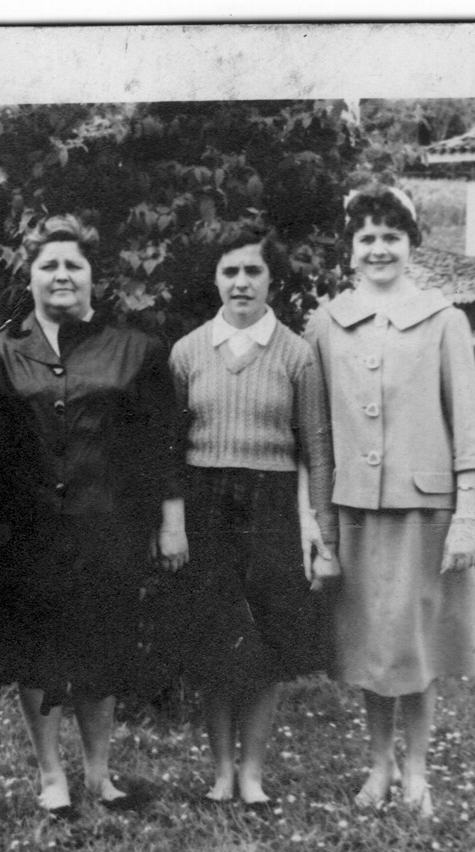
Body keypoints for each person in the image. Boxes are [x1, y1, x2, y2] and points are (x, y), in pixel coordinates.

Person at [0, 214, 187, 819]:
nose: (62, 274)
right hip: (28, 529)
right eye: (49, 264)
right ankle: (51, 774)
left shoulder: (137, 350)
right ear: (30, 275)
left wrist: (170, 521)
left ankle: (99, 772)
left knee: (103, 641)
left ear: (94, 275)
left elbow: (162, 444)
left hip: (109, 525)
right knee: (36, 648)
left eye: (73, 264)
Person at [306, 183, 475, 819]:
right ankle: (379, 764)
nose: (379, 249)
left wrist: (466, 516)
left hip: (424, 511)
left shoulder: (444, 320)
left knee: (415, 643)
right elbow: (317, 434)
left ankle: (416, 771)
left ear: (412, 245)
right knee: (371, 644)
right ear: (350, 249)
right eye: (367, 238)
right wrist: (318, 523)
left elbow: (467, 427)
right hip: (355, 511)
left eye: (392, 237)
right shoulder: (326, 323)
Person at [169, 224, 337, 812]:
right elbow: (170, 446)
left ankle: (254, 775)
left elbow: (317, 448)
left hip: (271, 507)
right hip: (205, 502)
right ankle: (220, 772)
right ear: (215, 279)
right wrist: (173, 522)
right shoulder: (187, 352)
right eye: (230, 271)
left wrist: (322, 536)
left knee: (264, 643)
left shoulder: (296, 354)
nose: (241, 282)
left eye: (253, 271)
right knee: (215, 638)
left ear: (271, 280)